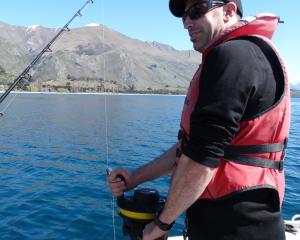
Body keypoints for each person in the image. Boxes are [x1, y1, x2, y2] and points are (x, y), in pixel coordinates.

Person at [108, 0, 290, 239]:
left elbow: (201, 160)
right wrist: (135, 178)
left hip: (236, 228)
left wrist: (161, 224)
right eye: (184, 16)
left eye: (196, 11)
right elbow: (191, 148)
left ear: (229, 11)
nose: (187, 23)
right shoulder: (247, 54)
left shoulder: (232, 56)